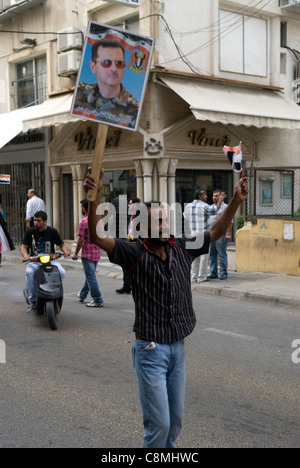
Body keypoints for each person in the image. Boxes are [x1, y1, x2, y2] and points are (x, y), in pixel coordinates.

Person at [84, 167, 249, 449]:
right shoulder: (133, 253)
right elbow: (98, 237)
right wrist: (94, 196)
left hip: (177, 348)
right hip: (150, 349)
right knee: (158, 426)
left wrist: (235, 201)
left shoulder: (184, 246)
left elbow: (217, 230)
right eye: (154, 223)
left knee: (174, 424)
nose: (161, 227)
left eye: (164, 221)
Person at [73, 39, 139, 128]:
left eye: (119, 63)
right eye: (106, 62)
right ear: (93, 67)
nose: (114, 69)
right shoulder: (79, 92)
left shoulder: (135, 109)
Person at [21, 211, 70, 312]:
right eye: (34, 220)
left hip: (50, 260)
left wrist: (65, 251)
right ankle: (32, 301)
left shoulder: (52, 231)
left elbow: (61, 244)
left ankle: (54, 291)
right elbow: (23, 247)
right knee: (30, 273)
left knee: (61, 272)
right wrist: (26, 256)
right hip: (34, 261)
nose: (35, 223)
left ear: (45, 221)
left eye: (38, 221)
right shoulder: (30, 232)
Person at [184, 188, 225, 283]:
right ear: (200, 196)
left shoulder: (188, 206)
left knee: (195, 257)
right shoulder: (204, 206)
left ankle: (193, 277)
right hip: (203, 235)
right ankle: (201, 277)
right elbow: (215, 210)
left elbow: (185, 217)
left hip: (192, 235)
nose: (206, 196)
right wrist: (220, 200)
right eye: (204, 195)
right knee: (204, 256)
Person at [72, 199, 104, 308]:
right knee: (90, 276)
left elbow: (80, 239)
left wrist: (75, 253)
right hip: (96, 253)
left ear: (84, 208)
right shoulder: (98, 220)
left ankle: (97, 299)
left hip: (87, 253)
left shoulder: (84, 221)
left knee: (90, 277)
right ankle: (82, 294)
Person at [116, 197, 141, 295]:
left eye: (130, 203)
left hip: (138, 243)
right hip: (131, 241)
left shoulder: (141, 215)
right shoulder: (132, 215)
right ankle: (126, 286)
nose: (128, 205)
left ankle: (136, 285)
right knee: (125, 264)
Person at [208, 189, 234, 280]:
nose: (214, 197)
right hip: (211, 235)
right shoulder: (211, 207)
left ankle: (223, 273)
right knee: (212, 255)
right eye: (213, 196)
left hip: (221, 235)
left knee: (222, 255)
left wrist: (228, 233)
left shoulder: (226, 207)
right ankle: (213, 272)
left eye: (216, 196)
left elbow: (230, 222)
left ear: (221, 197)